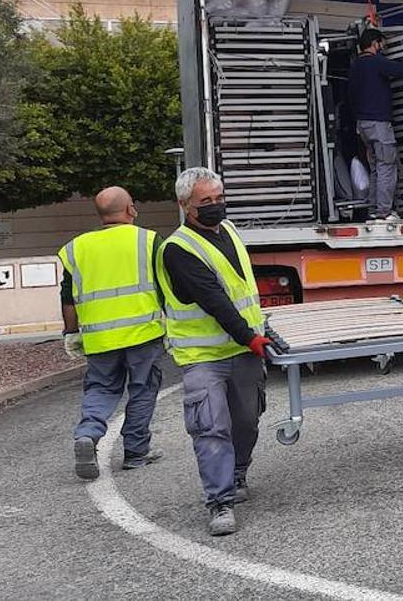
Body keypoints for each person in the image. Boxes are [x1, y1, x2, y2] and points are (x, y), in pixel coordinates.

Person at [156, 167, 283, 537]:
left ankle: (239, 472)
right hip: (203, 356)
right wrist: (250, 337)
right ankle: (220, 501)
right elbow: (214, 299)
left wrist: (257, 332)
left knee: (246, 420)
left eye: (219, 198)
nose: (215, 206)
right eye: (205, 202)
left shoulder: (228, 231)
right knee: (211, 426)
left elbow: (242, 290)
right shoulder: (178, 250)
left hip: (243, 350)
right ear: (185, 206)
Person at [59, 187, 166, 481]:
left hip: (99, 339)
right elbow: (166, 286)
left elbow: (68, 297)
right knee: (143, 389)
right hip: (143, 333)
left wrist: (71, 332)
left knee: (100, 389)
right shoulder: (148, 240)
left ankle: (87, 434)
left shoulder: (77, 248)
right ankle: (135, 453)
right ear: (130, 209)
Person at [349, 28, 403, 221]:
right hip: (379, 123)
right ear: (374, 43)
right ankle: (383, 212)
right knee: (387, 165)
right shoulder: (375, 62)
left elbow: (350, 97)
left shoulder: (355, 66)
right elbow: (401, 70)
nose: (383, 49)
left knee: (376, 168)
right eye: (382, 45)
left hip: (363, 126)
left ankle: (373, 209)